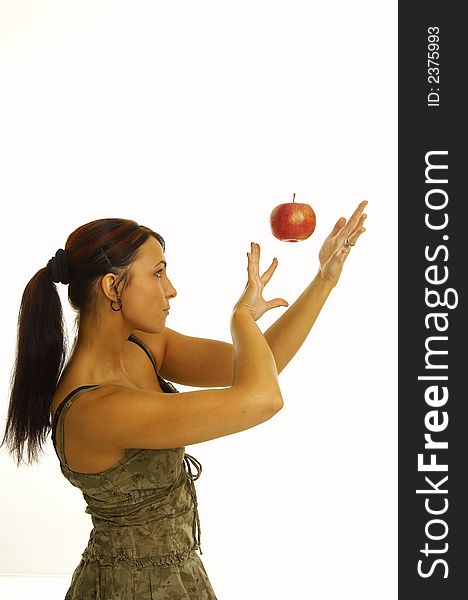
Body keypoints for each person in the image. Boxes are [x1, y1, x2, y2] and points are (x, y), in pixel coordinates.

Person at [1, 201, 367, 599]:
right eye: (157, 273)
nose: (171, 289)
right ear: (111, 286)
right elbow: (263, 399)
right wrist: (242, 318)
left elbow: (264, 364)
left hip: (183, 576)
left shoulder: (144, 345)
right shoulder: (96, 408)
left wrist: (324, 279)